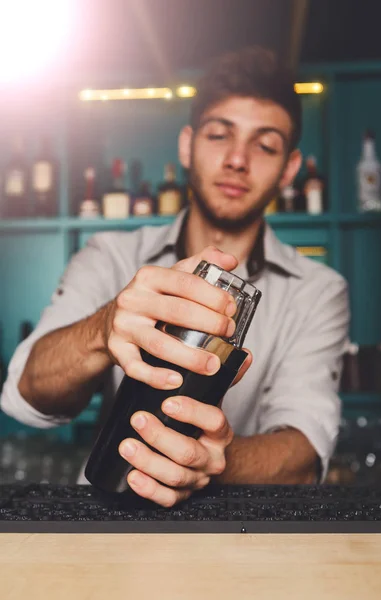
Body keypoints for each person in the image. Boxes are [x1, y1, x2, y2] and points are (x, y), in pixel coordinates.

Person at [0, 47, 349, 507]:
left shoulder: (320, 291)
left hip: (239, 545)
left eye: (265, 145)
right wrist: (104, 330)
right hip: (102, 527)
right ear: (187, 145)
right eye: (220, 135)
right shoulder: (112, 254)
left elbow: (305, 455)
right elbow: (26, 391)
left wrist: (213, 461)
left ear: (289, 169)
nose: (238, 160)